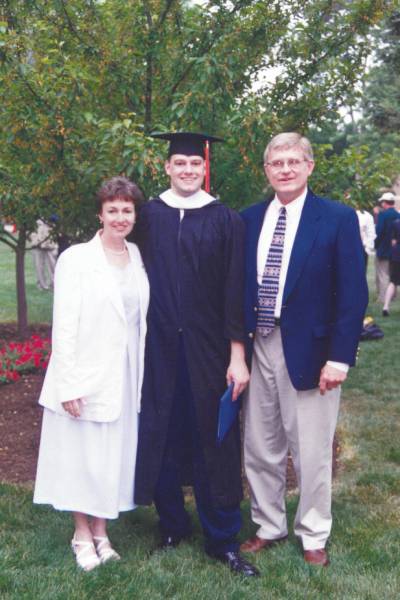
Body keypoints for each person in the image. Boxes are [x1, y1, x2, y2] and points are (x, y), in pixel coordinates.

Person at [133, 132, 259, 577]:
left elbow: (236, 292)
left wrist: (237, 355)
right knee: (162, 432)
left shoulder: (226, 220)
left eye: (194, 164)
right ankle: (171, 525)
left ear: (204, 168)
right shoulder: (148, 216)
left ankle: (222, 538)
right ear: (166, 168)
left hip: (210, 350)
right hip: (159, 348)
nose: (187, 170)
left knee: (216, 440)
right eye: (179, 163)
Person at [240, 132, 368, 567]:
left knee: (311, 449)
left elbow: (352, 295)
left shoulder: (335, 218)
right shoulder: (249, 219)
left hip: (312, 354)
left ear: (310, 166)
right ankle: (268, 524)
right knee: (260, 444)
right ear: (267, 170)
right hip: (260, 345)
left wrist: (339, 357)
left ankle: (313, 531)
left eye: (294, 161)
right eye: (277, 163)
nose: (286, 169)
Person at [34, 177, 149, 571]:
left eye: (127, 210)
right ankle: (81, 533)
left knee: (110, 457)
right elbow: (63, 326)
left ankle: (102, 531)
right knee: (81, 456)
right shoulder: (77, 259)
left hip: (125, 374)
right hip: (84, 372)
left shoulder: (136, 255)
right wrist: (69, 382)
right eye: (113, 210)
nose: (120, 217)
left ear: (135, 214)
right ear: (100, 214)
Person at [374, 192, 400, 303]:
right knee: (393, 275)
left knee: (383, 274)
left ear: (385, 203)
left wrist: (375, 245)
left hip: (384, 249)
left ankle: (383, 298)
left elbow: (379, 232)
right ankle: (393, 296)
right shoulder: (398, 215)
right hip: (396, 251)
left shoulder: (383, 215)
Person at [29, 219, 58, 290]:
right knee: (39, 267)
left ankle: (54, 284)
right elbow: (31, 233)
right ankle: (42, 285)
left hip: (50, 246)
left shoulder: (52, 216)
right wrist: (36, 242)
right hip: (37, 247)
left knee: (52, 266)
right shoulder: (34, 220)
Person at [382, 217, 400, 316]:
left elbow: (392, 242)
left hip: (396, 255)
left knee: (393, 282)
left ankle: (386, 306)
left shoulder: (395, 223)